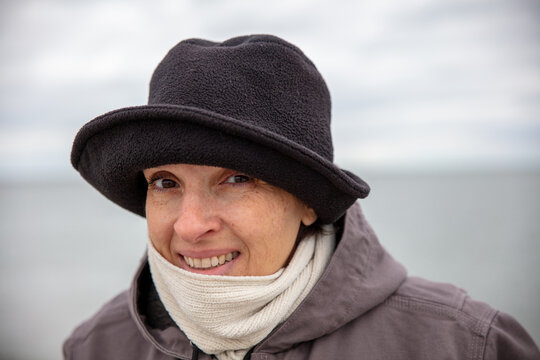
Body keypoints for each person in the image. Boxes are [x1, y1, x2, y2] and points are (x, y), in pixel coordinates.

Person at [64, 34, 540, 360]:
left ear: (308, 201)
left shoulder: (462, 344)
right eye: (166, 183)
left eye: (237, 179)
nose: (190, 225)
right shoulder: (95, 347)